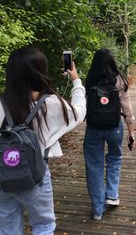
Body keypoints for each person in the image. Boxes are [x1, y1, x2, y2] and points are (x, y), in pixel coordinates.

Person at [0, 46, 86, 235]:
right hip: (35, 176)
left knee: (7, 228)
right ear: (40, 71)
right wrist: (76, 81)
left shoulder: (2, 103)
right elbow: (79, 113)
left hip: (3, 175)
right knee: (43, 225)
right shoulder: (51, 103)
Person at [83, 48, 135, 220]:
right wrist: (131, 132)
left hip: (93, 128)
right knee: (114, 158)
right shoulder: (120, 81)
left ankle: (98, 210)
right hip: (114, 127)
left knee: (94, 166)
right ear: (112, 61)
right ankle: (111, 195)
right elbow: (127, 108)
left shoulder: (89, 81)